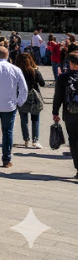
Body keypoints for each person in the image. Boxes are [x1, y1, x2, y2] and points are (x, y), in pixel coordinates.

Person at [52, 51, 78, 180]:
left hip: (70, 113)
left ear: (71, 63)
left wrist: (55, 112)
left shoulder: (64, 77)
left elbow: (58, 97)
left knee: (73, 140)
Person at [15, 52, 46, 149]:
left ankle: (26, 140)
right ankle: (35, 140)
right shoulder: (34, 71)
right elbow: (42, 83)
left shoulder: (16, 71)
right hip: (34, 97)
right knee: (35, 119)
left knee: (24, 120)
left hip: (21, 96)